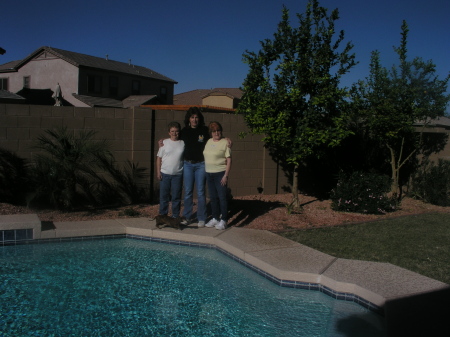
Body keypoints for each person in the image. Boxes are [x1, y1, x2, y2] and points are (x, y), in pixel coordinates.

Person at [203, 121, 231, 230]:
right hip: (209, 173)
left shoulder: (225, 142)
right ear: (211, 133)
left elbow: (229, 160)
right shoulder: (209, 141)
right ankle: (215, 218)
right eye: (214, 131)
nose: (216, 133)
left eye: (218, 130)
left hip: (220, 174)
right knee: (213, 198)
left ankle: (224, 220)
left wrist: (226, 175)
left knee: (222, 197)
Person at [156, 122, 184, 218]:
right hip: (165, 174)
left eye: (176, 131)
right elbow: (159, 158)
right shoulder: (164, 143)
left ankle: (175, 216)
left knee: (176, 197)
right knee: (164, 197)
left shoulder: (182, 143)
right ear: (169, 132)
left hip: (178, 174)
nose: (174, 133)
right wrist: (158, 172)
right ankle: (163, 216)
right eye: (172, 131)